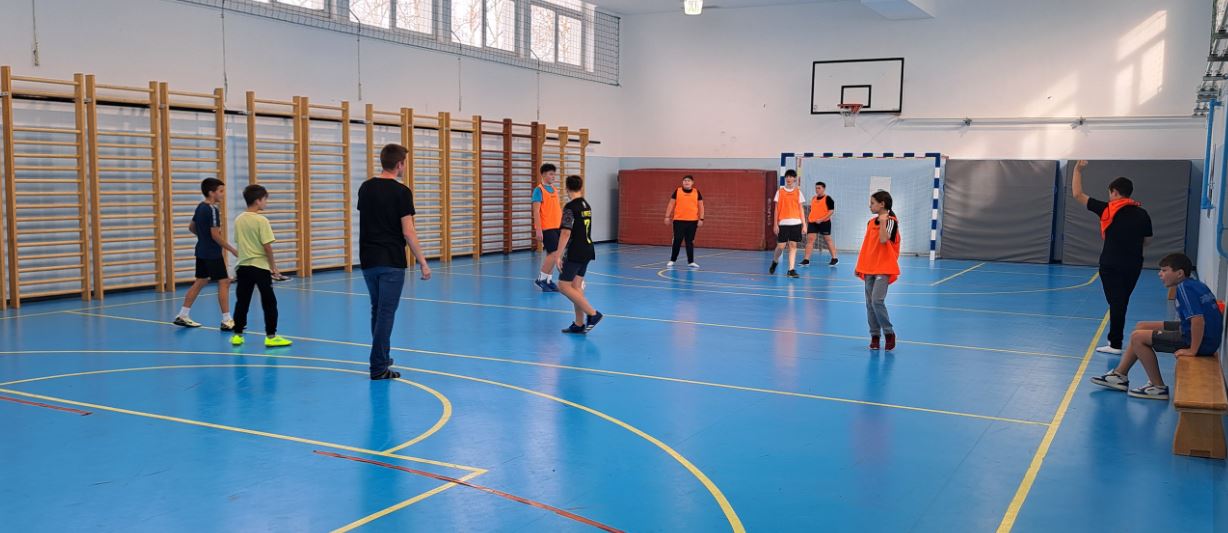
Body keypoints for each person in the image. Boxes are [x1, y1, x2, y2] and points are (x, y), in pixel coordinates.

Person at [1090, 253, 1222, 400]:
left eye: (1164, 270)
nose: (1160, 274)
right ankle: (1120, 375)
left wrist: (1192, 350)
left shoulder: (1184, 288)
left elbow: (1198, 321)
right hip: (1204, 337)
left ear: (1179, 273)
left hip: (1199, 342)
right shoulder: (1195, 284)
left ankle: (1157, 386)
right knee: (1141, 326)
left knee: (1137, 337)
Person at [358, 143, 432, 381]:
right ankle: (378, 366)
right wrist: (423, 261)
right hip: (390, 260)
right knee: (386, 313)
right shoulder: (402, 192)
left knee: (377, 309)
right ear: (399, 164)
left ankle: (381, 355)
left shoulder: (366, 187)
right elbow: (408, 231)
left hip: (368, 259)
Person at [1071, 160, 1153, 354]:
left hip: (1111, 264)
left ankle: (1115, 343)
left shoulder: (1107, 209)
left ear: (1115, 192)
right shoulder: (1142, 213)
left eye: (1110, 193)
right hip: (1134, 264)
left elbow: (1077, 194)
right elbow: (1147, 241)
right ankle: (1115, 340)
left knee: (1116, 302)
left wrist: (1077, 170)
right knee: (1121, 301)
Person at [229, 185, 292, 348]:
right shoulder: (261, 220)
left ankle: (237, 335)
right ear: (258, 201)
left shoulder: (239, 219)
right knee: (269, 302)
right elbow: (267, 246)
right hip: (260, 267)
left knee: (242, 302)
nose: (266, 203)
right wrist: (274, 267)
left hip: (243, 267)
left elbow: (239, 241)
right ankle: (271, 336)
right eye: (265, 199)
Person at [174, 178, 240, 329]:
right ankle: (227, 320)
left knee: (200, 281)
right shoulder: (212, 209)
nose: (223, 194)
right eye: (221, 191)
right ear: (211, 193)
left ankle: (183, 315)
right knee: (224, 282)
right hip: (212, 253)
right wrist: (232, 249)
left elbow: (191, 227)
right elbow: (215, 235)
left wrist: (203, 238)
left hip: (201, 250)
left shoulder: (200, 207)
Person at [556, 175, 603, 334]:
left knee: (563, 285)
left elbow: (565, 233)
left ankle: (593, 314)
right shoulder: (585, 205)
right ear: (581, 187)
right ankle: (579, 323)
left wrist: (558, 255)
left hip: (576, 251)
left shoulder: (570, 207)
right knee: (575, 286)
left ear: (567, 188)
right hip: (587, 249)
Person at [855, 191, 901, 351]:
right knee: (869, 304)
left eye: (873, 203)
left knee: (877, 301)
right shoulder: (869, 223)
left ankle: (889, 333)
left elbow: (883, 239)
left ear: (882, 204)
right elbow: (867, 245)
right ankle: (875, 335)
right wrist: (859, 265)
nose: (870, 206)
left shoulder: (891, 221)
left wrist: (882, 222)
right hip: (869, 267)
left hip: (884, 267)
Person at [770, 170, 807, 278]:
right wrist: (775, 224)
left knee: (793, 245)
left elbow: (801, 209)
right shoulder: (780, 192)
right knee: (781, 246)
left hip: (796, 222)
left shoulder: (798, 192)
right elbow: (776, 209)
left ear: (794, 179)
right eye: (787, 176)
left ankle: (791, 270)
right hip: (783, 223)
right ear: (785, 178)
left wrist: (804, 224)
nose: (789, 178)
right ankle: (775, 260)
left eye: (791, 177)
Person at [532, 163, 563, 292]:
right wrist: (538, 229)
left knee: (553, 254)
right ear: (543, 174)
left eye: (554, 174)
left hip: (557, 227)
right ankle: (541, 279)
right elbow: (536, 211)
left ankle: (548, 281)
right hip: (547, 228)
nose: (553, 176)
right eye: (551, 174)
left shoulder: (554, 189)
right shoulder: (539, 190)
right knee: (554, 253)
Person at [664, 175, 704, 269]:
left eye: (688, 181)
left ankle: (691, 262)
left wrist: (701, 218)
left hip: (692, 221)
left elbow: (701, 206)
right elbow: (671, 204)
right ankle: (672, 260)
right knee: (677, 240)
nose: (686, 182)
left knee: (689, 242)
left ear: (692, 183)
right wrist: (667, 216)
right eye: (685, 180)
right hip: (679, 221)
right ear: (682, 182)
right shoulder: (677, 191)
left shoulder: (696, 192)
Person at [802, 181, 838, 267]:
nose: (817, 190)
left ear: (823, 189)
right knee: (810, 240)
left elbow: (831, 211)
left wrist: (822, 219)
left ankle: (834, 258)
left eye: (819, 188)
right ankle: (806, 260)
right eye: (816, 188)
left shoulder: (828, 198)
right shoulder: (813, 198)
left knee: (828, 240)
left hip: (824, 222)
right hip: (813, 222)